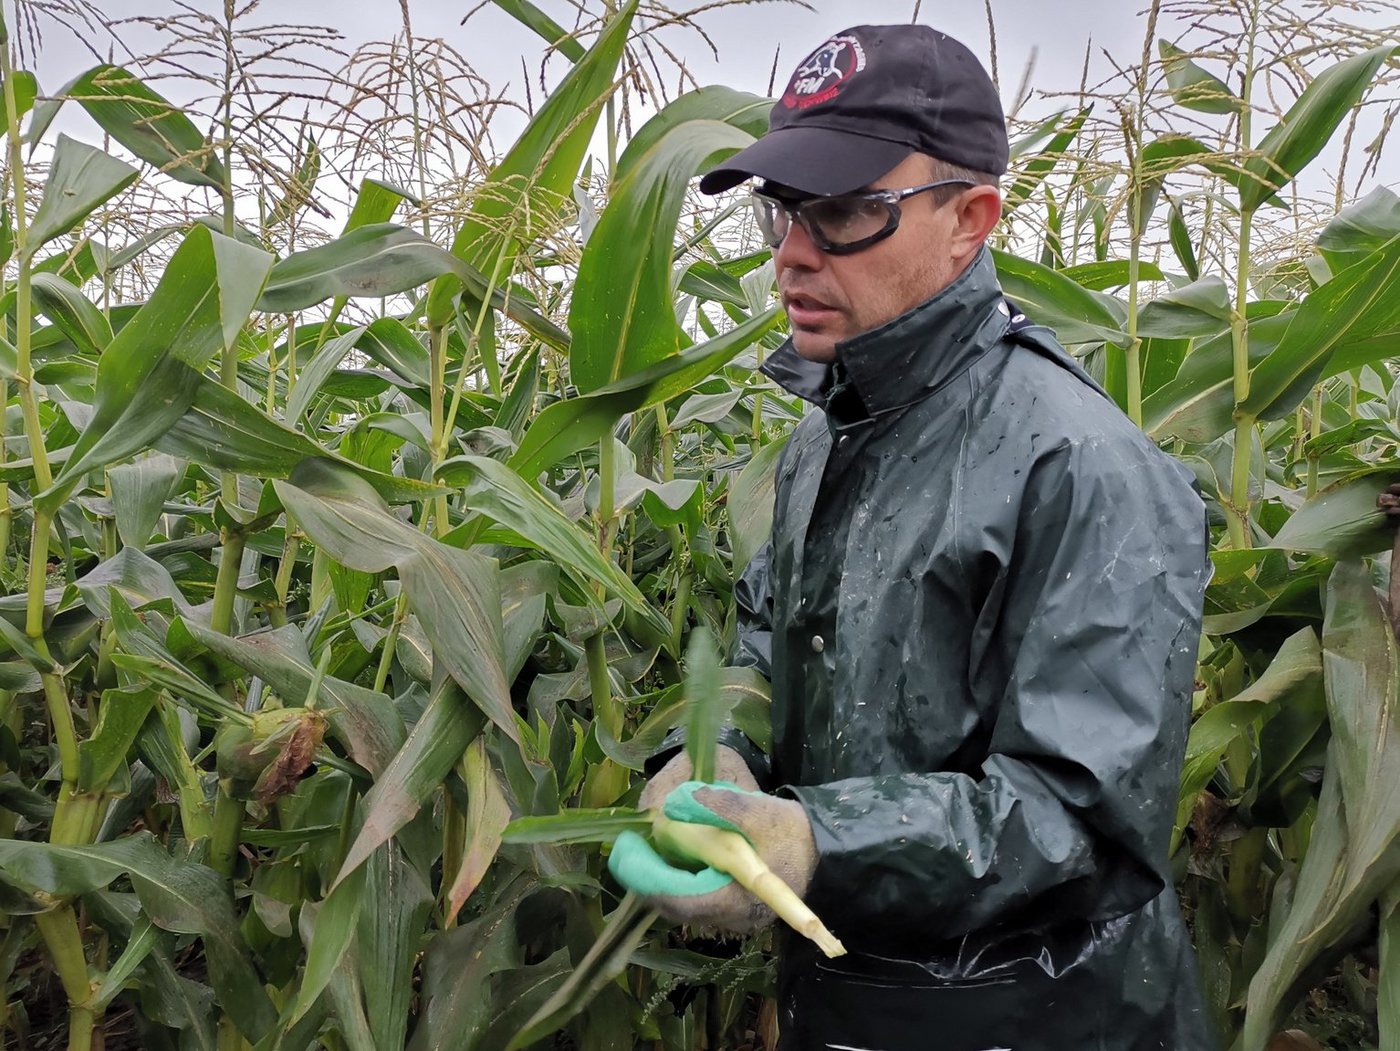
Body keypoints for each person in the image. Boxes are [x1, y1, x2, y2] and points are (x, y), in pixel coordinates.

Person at [607, 24, 1214, 1051]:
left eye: (845, 212)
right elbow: (769, 638)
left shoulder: (1080, 466)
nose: (793, 255)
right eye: (781, 213)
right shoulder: (825, 433)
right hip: (850, 1004)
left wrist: (815, 843)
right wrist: (718, 752)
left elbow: (1081, 819)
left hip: (1033, 1020)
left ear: (968, 220)